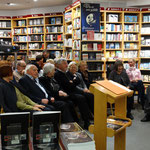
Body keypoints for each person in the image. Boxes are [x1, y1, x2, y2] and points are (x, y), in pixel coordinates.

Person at [54, 58, 92, 129]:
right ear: (59, 65)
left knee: (89, 95)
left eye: (66, 63)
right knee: (81, 98)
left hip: (72, 90)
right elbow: (68, 86)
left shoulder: (65, 73)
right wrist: (74, 81)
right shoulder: (58, 74)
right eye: (64, 63)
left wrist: (73, 82)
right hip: (67, 93)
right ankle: (86, 121)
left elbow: (73, 83)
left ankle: (92, 116)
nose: (66, 65)